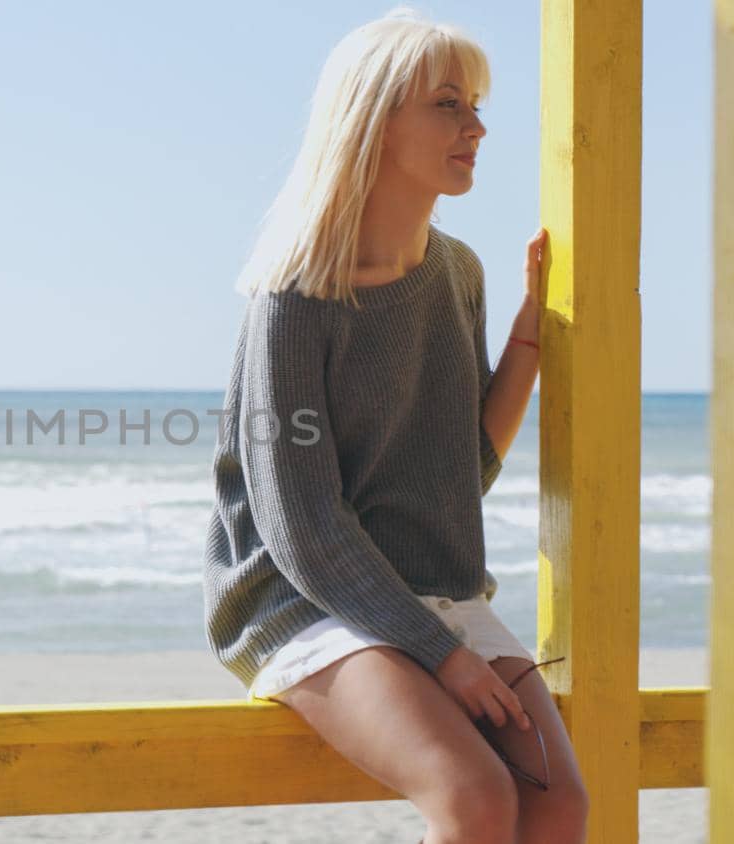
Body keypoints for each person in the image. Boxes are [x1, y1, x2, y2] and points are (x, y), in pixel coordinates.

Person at [202, 7, 586, 843]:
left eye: (477, 104)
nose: (477, 126)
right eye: (448, 104)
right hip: (303, 601)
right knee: (475, 795)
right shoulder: (293, 302)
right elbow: (300, 527)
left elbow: (456, 471)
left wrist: (531, 330)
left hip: (432, 586)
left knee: (557, 801)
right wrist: (439, 653)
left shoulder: (458, 271)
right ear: (372, 119)